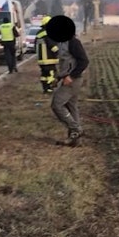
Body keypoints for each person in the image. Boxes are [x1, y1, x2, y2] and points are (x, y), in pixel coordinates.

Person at [43, 15, 90, 147]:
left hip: (73, 80)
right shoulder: (62, 42)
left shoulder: (73, 42)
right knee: (71, 107)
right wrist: (58, 78)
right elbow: (66, 64)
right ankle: (75, 140)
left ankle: (76, 129)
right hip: (67, 79)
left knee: (56, 104)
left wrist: (71, 76)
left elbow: (84, 61)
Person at [35, 16, 57, 93]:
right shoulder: (48, 33)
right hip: (49, 58)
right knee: (51, 73)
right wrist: (58, 52)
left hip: (41, 59)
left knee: (44, 74)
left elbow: (36, 45)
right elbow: (52, 45)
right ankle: (49, 88)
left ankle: (45, 88)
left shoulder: (39, 33)